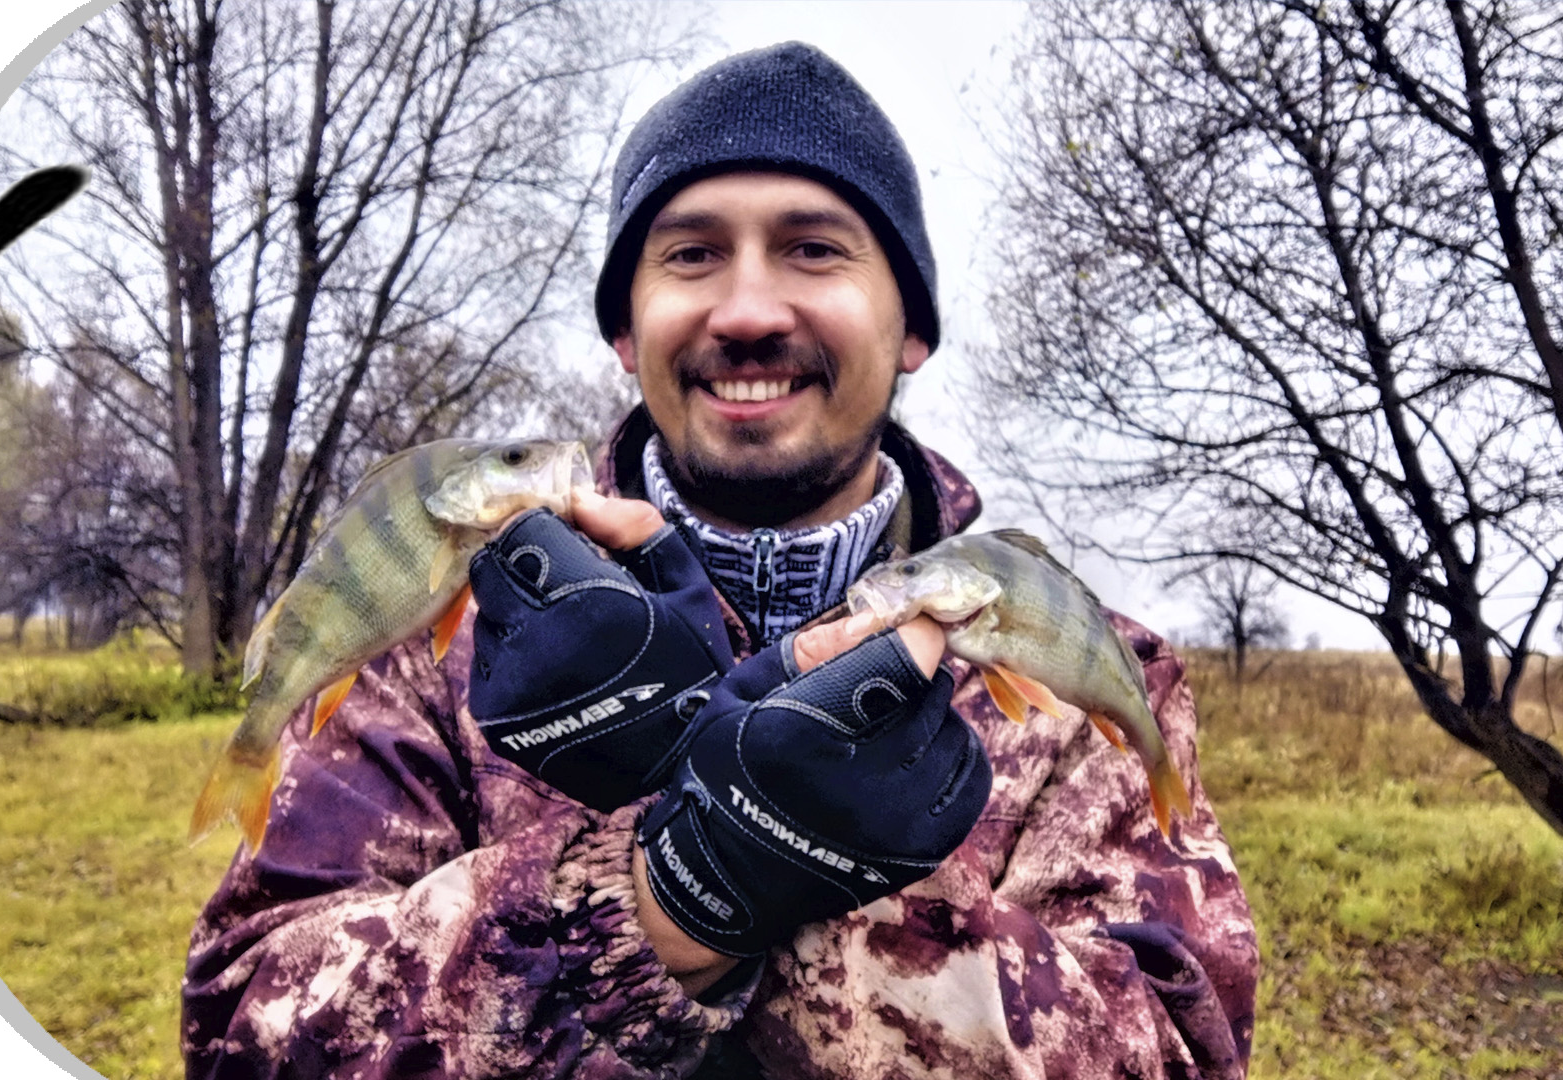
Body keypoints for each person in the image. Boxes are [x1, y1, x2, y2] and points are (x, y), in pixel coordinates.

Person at [183, 42, 1258, 1079]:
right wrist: (654, 901)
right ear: (626, 329)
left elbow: (1179, 1045)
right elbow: (243, 1027)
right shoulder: (430, 636)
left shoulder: (1093, 688)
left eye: (815, 248)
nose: (747, 311)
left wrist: (774, 892)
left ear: (912, 329)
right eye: (692, 253)